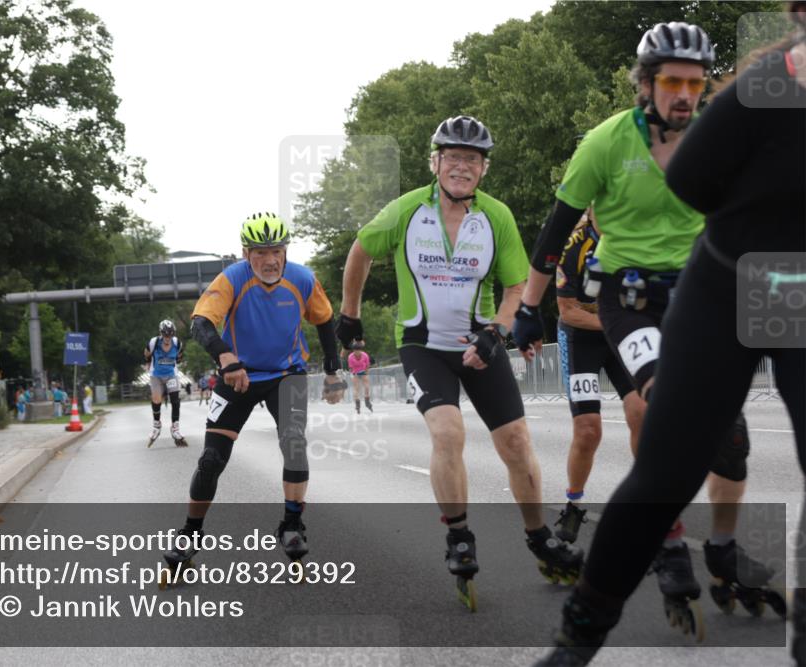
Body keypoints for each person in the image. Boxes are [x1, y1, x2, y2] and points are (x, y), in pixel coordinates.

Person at [537, 7, 806, 664]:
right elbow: (686, 180)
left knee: (732, 444)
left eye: (692, 82)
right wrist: (527, 308)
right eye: (670, 82)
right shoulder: (763, 87)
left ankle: (728, 556)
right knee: (667, 459)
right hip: (691, 288)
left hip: (787, 289)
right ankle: (581, 633)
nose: (683, 94)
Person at [338, 115, 583, 609]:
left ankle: (539, 537)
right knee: (448, 434)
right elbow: (361, 250)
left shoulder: (496, 217)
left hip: (480, 343)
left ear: (483, 168)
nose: (461, 167)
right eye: (453, 157)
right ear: (436, 162)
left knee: (516, 443)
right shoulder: (406, 211)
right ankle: (459, 535)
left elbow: (516, 286)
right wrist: (349, 314)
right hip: (422, 346)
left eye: (472, 159)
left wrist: (498, 332)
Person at [163, 212, 346, 574]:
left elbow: (325, 320)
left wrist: (332, 371)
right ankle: (190, 533)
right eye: (260, 252)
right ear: (246, 254)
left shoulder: (303, 279)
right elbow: (201, 323)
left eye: (276, 250)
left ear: (286, 251)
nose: (269, 260)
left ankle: (292, 524)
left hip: (287, 374)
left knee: (294, 444)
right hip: (238, 377)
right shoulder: (232, 278)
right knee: (211, 460)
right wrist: (226, 358)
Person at [551, 210, 644, 543]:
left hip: (618, 336)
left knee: (642, 412)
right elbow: (568, 311)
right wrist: (614, 322)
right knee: (589, 429)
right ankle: (573, 503)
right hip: (581, 339)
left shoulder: (634, 238)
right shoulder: (574, 246)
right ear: (590, 210)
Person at [144, 319, 187, 447]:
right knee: (156, 399)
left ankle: (175, 428)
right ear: (161, 333)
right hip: (156, 375)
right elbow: (146, 353)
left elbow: (180, 356)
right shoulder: (154, 342)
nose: (168, 337)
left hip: (171, 374)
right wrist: (148, 362)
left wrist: (177, 360)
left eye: (170, 334)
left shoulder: (177, 343)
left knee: (175, 399)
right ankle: (156, 426)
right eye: (165, 334)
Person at [347, 338, 373, 414]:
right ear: (353, 350)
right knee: (356, 388)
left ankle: (367, 401)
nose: (357, 352)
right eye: (355, 350)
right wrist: (353, 375)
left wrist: (366, 373)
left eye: (358, 350)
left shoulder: (365, 355)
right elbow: (351, 368)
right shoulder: (350, 357)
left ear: (361, 350)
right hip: (355, 372)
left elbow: (367, 365)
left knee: (367, 386)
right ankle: (357, 404)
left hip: (363, 371)